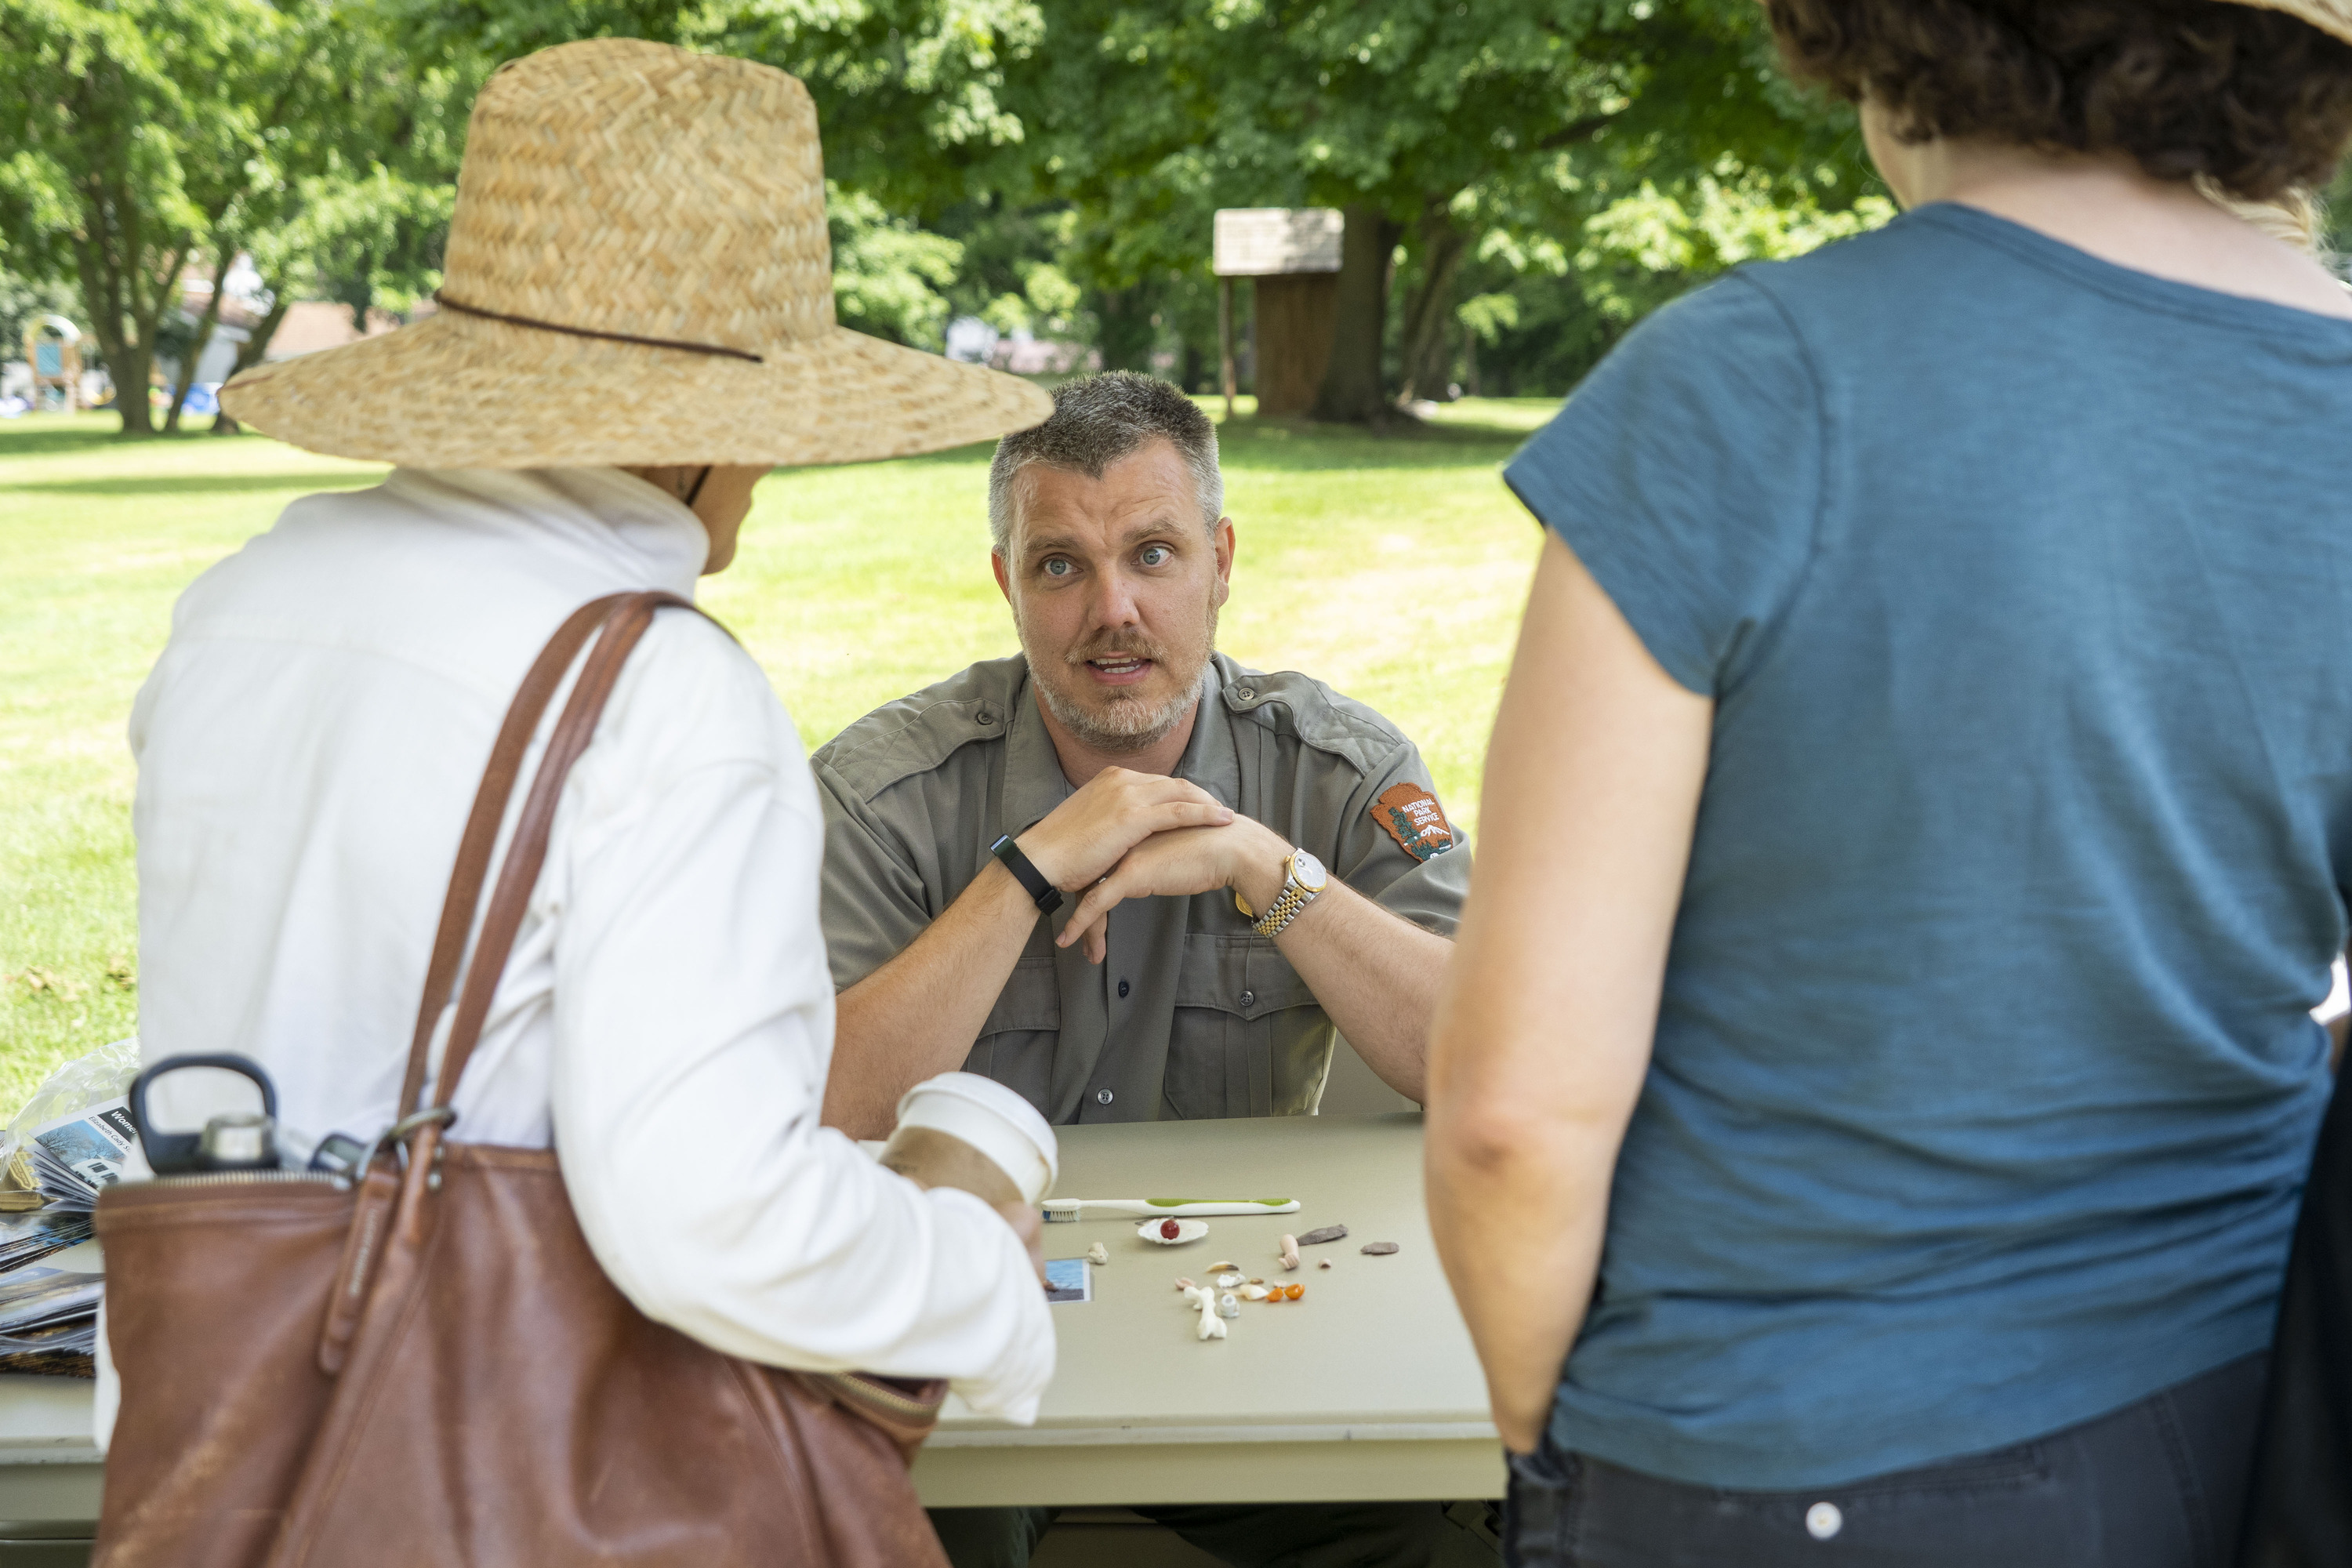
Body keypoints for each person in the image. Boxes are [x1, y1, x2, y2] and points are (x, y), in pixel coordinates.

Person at [1423, 2, 2352, 1564]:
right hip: (2233, 1431)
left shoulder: (1745, 383)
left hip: (1760, 1447)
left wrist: (1548, 1440)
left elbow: (1518, 1110)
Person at [111, 38, 1058, 1454]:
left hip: (226, 1440)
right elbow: (714, 1218)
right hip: (505, 1466)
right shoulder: (661, 693)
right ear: (692, 432)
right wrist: (976, 1271)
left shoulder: (238, 610)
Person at [811, 372, 1490, 1566]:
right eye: (1060, 565)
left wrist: (1264, 868)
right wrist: (1022, 875)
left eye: (1155, 554)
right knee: (881, 1517)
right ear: (1005, 582)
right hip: (965, 1350)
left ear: (1221, 561)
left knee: (1453, 1540)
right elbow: (821, 1110)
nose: (1111, 610)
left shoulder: (1334, 770)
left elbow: (1488, 1066)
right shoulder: (886, 798)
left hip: (1251, 1324)